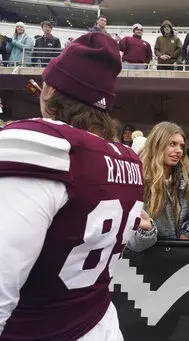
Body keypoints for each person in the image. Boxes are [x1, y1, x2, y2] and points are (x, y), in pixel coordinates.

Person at [0, 32, 148, 340]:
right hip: (99, 322)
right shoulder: (130, 160)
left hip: (40, 330)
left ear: (51, 90)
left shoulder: (40, 145)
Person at [127, 122, 189, 252]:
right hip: (146, 262)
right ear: (157, 144)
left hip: (183, 259)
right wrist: (147, 230)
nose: (178, 150)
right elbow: (132, 244)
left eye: (181, 146)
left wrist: (186, 234)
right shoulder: (136, 180)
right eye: (172, 144)